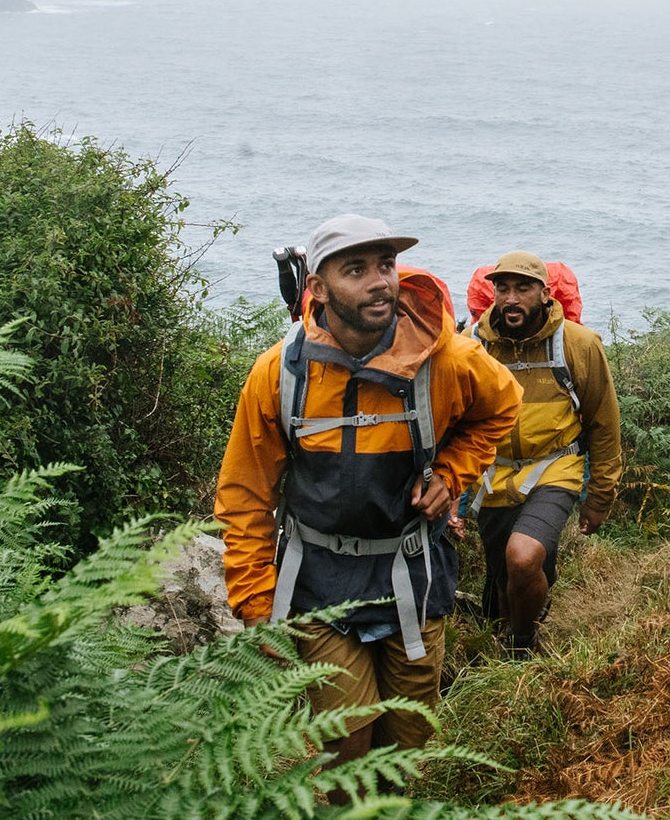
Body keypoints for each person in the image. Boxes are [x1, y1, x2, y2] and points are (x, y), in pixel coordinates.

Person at [216, 214, 521, 764]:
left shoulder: (446, 359)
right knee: (346, 740)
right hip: (317, 580)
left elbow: (502, 407)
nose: (380, 281)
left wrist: (453, 473)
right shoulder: (281, 375)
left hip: (412, 572)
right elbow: (245, 493)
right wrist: (256, 601)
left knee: (407, 739)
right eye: (356, 269)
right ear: (317, 288)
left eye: (386, 264)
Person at [468, 250, 622, 655]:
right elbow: (453, 422)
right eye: (503, 288)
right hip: (494, 474)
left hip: (556, 467)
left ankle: (523, 647)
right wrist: (449, 488)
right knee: (504, 583)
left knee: (522, 557)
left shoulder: (578, 344)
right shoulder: (473, 348)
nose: (512, 298)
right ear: (493, 293)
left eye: (523, 288)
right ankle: (511, 638)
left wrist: (600, 497)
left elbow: (604, 423)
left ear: (545, 293)